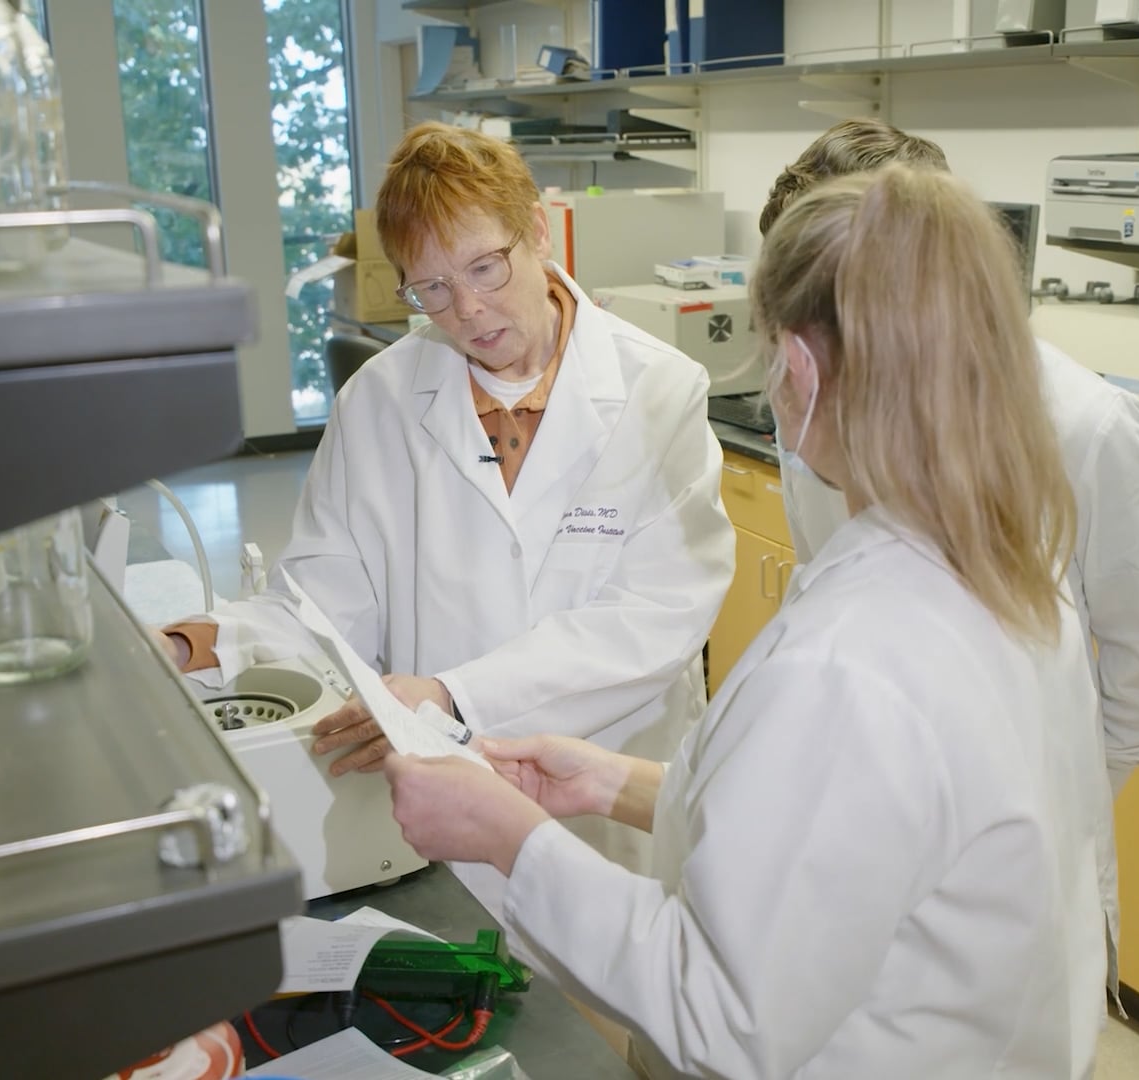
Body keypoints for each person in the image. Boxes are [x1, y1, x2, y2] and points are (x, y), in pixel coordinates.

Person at [382, 165, 1113, 1079]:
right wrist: (619, 786)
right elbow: (856, 836)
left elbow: (722, 1015)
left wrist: (506, 837)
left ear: (798, 368)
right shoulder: (1010, 574)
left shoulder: (851, 661)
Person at [158, 122, 736, 906]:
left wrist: (454, 694)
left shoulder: (660, 390)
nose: (466, 309)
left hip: (607, 810)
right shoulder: (380, 400)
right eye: (429, 288)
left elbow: (654, 621)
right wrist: (209, 640)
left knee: (608, 1011)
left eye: (485, 268)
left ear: (536, 230)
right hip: (448, 813)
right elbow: (326, 602)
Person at [759, 120, 1139, 1004]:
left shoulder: (1085, 427)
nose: (806, 356)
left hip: (1023, 876)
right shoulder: (809, 389)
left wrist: (1038, 795)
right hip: (860, 841)